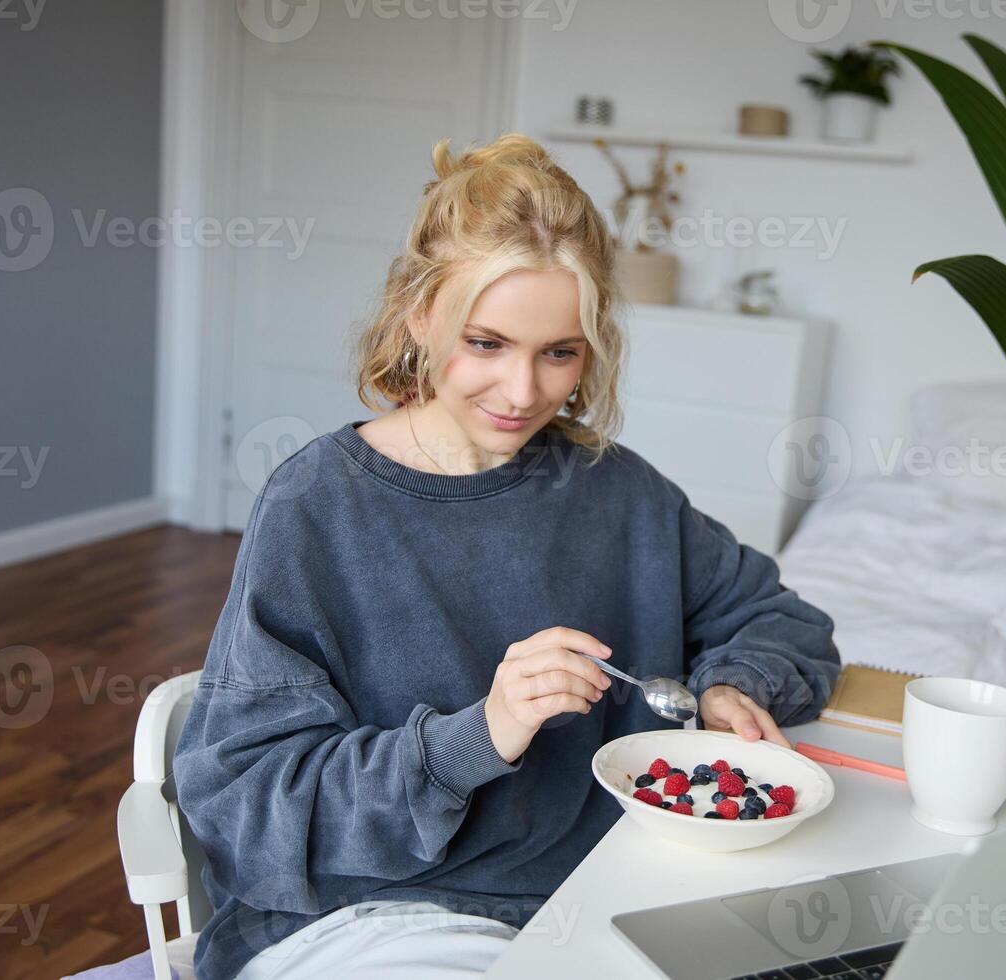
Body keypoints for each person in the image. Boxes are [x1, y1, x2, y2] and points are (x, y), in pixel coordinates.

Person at [173, 133, 843, 980]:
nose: (524, 393)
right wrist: (477, 735)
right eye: (486, 343)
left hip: (603, 901)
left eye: (559, 352)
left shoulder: (619, 493)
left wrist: (732, 682)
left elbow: (784, 620)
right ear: (418, 314)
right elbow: (246, 808)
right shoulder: (318, 507)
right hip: (379, 916)